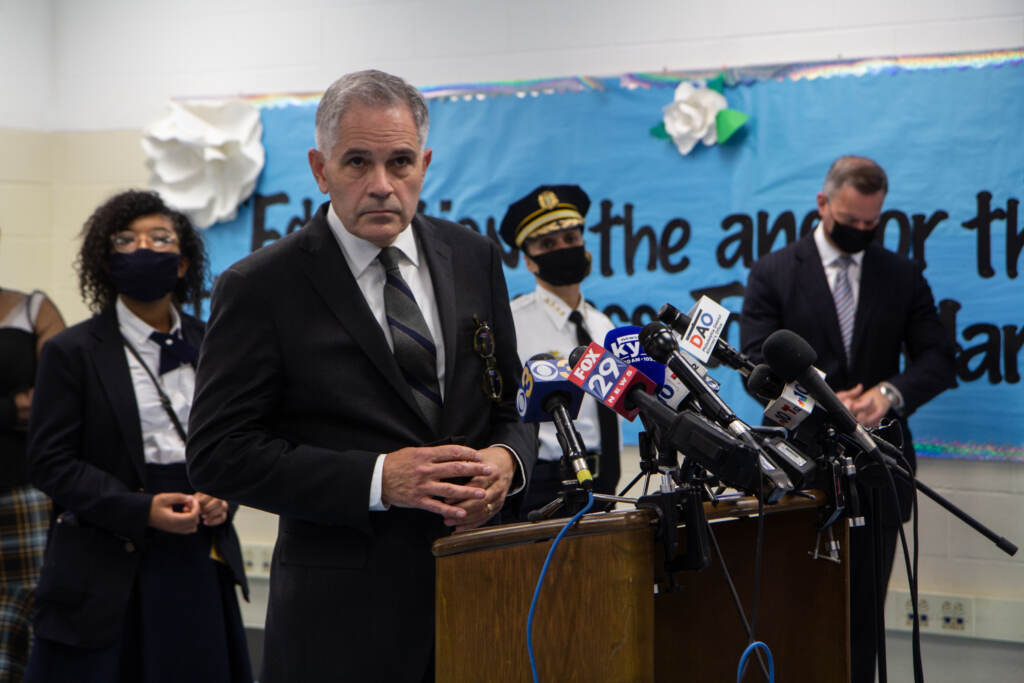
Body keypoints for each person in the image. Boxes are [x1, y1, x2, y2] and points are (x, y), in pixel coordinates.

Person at [185, 69, 535, 683]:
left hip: (481, 598)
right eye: (357, 163)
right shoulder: (262, 287)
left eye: (400, 162)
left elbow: (511, 403)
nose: (381, 185)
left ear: (424, 163)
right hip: (341, 627)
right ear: (320, 170)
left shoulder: (473, 257)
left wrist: (507, 461)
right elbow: (219, 455)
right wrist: (379, 479)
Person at [740, 155, 956, 683]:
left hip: (879, 472)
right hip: (800, 473)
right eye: (850, 220)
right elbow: (754, 366)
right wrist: (819, 404)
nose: (860, 231)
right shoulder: (773, 272)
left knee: (863, 625)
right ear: (823, 203)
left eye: (871, 223)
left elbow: (938, 358)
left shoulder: (902, 275)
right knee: (794, 619)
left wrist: (888, 394)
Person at [25, 190, 251, 683]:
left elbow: (239, 439)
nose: (143, 248)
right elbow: (48, 461)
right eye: (126, 240)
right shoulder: (72, 350)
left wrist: (224, 497)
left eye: (159, 238)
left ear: (183, 263)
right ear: (106, 264)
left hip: (197, 556)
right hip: (103, 563)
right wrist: (138, 509)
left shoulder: (214, 340)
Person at [499, 184, 620, 516]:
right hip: (541, 484)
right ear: (529, 261)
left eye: (570, 239)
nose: (562, 248)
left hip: (605, 480)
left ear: (584, 245)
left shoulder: (601, 325)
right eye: (547, 244)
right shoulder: (511, 324)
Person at [0, 275, 65, 683]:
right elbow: (26, 406)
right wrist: (12, 408)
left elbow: (54, 401)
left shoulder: (33, 309)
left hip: (22, 500)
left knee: (25, 625)